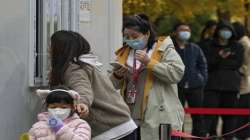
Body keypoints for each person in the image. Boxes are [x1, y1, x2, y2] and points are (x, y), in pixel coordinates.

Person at [49, 30, 137, 140]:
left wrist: (82, 103)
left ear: (60, 50)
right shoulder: (88, 64)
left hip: (109, 129)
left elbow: (82, 89)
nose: (49, 50)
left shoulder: (74, 69)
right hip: (123, 124)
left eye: (51, 47)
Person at [110, 13, 185, 140]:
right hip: (131, 115)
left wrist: (149, 63)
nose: (130, 40)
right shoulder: (123, 54)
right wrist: (117, 75)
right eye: (126, 36)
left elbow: (177, 73)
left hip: (159, 117)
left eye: (135, 36)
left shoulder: (163, 49)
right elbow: (109, 85)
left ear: (147, 34)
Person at [201, 20, 244, 139]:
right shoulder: (208, 45)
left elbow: (237, 64)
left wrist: (220, 62)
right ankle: (208, 136)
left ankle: (228, 137)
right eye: (223, 30)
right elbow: (208, 64)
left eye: (228, 30)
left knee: (230, 118)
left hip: (231, 87)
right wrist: (220, 58)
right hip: (212, 86)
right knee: (208, 117)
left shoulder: (237, 46)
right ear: (218, 31)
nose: (226, 33)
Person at [171, 22, 207, 137]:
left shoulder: (195, 48)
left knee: (198, 115)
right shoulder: (170, 48)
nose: (185, 32)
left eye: (187, 30)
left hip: (195, 86)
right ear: (176, 32)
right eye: (182, 30)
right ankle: (179, 137)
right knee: (177, 115)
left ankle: (198, 136)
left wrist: (201, 79)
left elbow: (203, 65)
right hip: (177, 86)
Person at [232, 21, 250, 140]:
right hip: (245, 81)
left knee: (242, 111)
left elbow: (247, 65)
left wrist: (237, 69)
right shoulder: (245, 42)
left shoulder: (243, 43)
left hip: (244, 81)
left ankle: (241, 134)